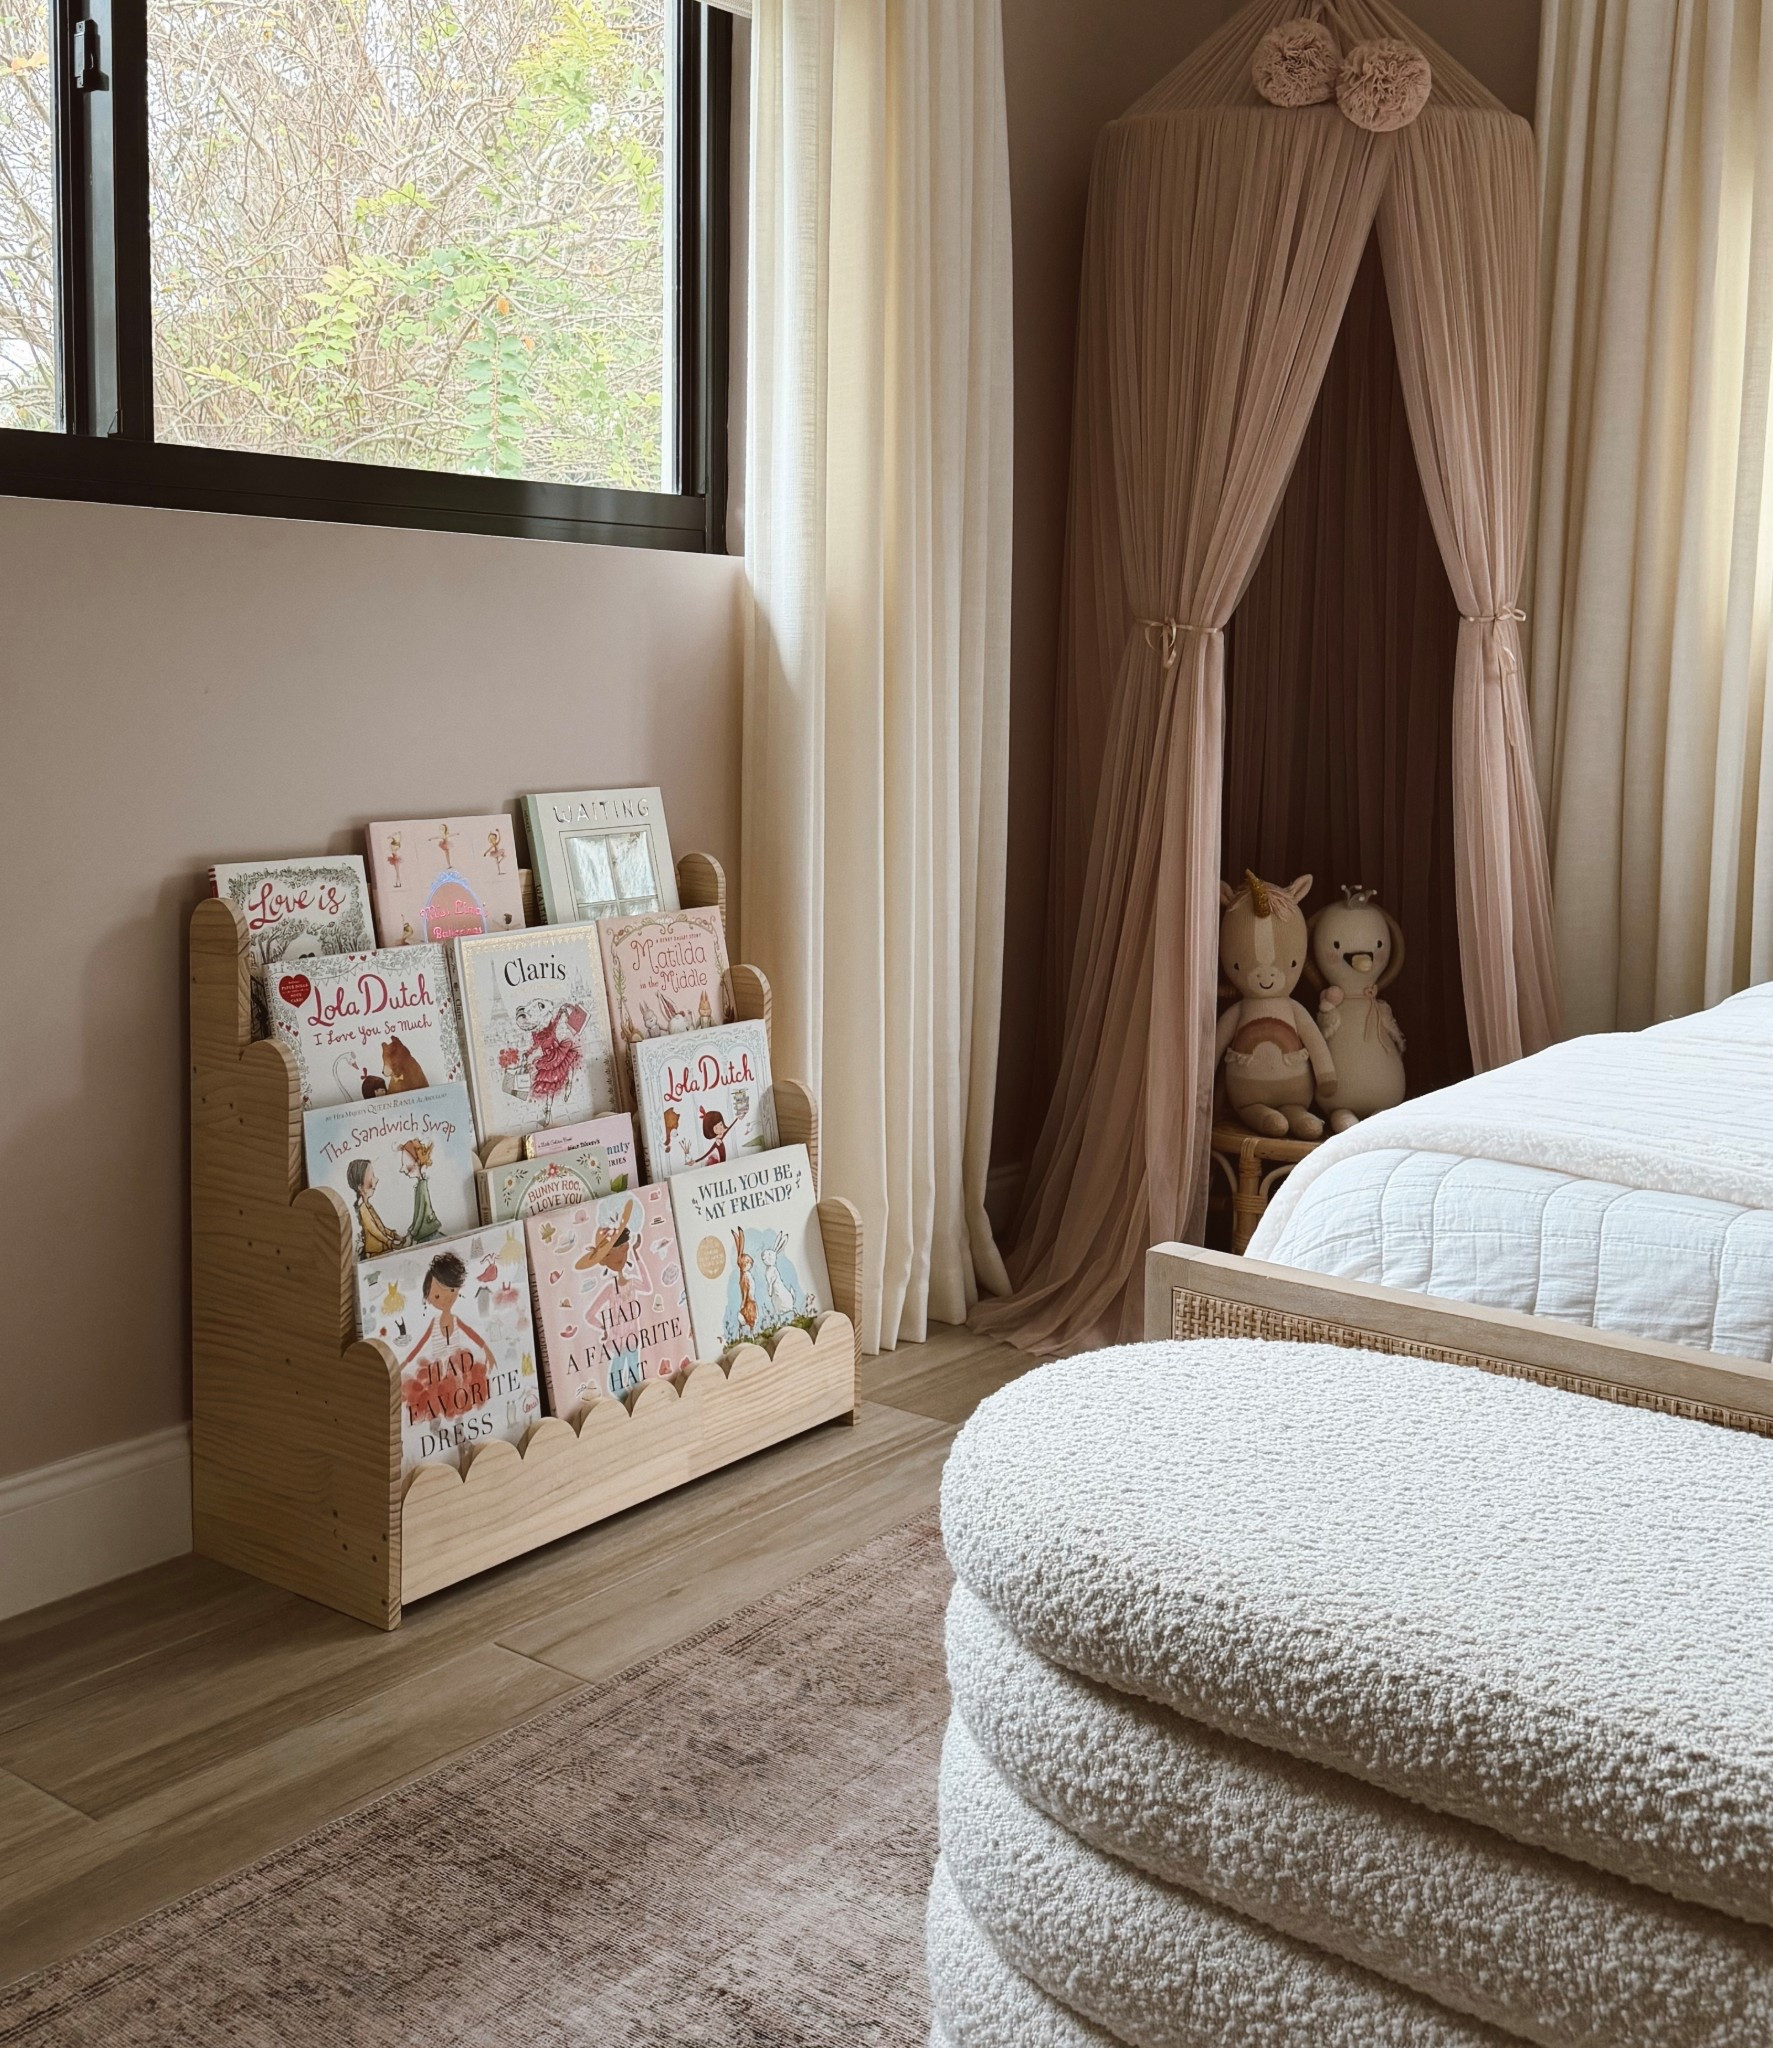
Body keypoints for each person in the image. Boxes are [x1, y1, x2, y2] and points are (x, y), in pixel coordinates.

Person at [345, 1156, 405, 1259]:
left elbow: (381, 1227)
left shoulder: (369, 1206)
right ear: (360, 1187)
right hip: (376, 1254)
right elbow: (374, 1230)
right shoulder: (363, 1209)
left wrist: (394, 1235)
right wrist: (390, 1243)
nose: (375, 1180)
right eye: (371, 1176)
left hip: (383, 1250)